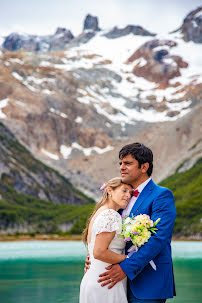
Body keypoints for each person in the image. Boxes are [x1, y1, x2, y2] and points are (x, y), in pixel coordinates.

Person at [86, 142, 177, 303]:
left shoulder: (161, 195)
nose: (122, 167)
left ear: (144, 167)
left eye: (128, 163)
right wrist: (93, 258)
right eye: (120, 163)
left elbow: (159, 239)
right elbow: (107, 233)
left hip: (148, 281)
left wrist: (126, 268)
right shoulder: (122, 198)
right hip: (115, 282)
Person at [79, 177, 133, 303]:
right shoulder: (110, 215)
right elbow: (99, 252)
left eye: (130, 193)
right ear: (109, 190)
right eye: (124, 191)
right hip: (107, 282)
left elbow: (95, 251)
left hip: (96, 279)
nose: (128, 196)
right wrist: (128, 259)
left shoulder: (99, 212)